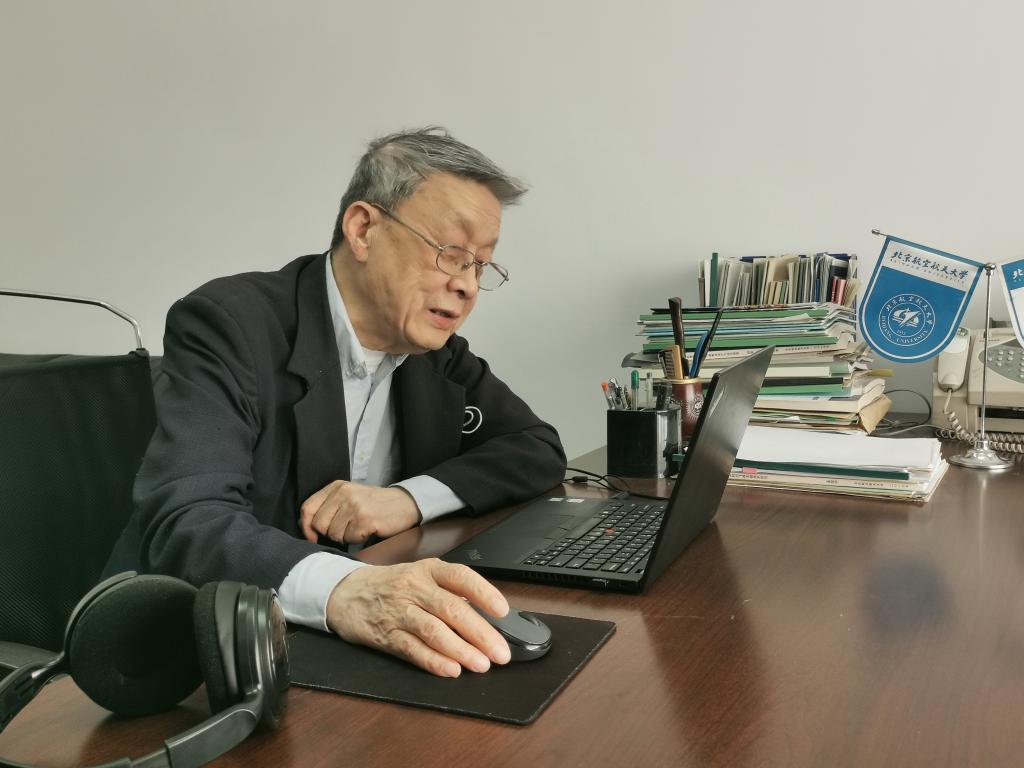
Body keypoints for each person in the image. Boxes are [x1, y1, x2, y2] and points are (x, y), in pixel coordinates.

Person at [105, 127, 567, 678]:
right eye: (451, 253)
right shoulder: (230, 324)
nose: (467, 285)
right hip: (201, 654)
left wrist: (406, 500)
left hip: (349, 652)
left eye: (480, 265)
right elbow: (187, 520)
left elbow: (536, 447)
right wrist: (348, 588)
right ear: (364, 229)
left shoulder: (435, 354)